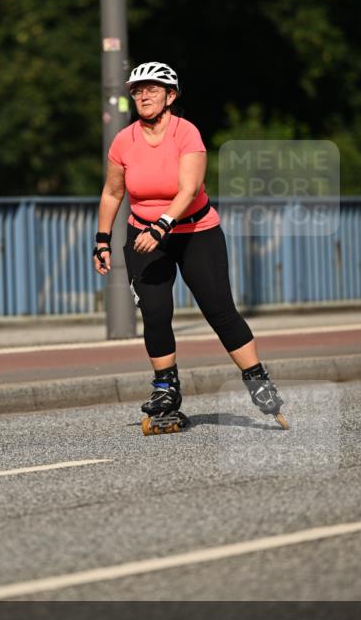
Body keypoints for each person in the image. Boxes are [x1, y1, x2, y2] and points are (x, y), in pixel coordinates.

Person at [93, 60, 284, 427]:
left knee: (218, 309)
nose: (143, 95)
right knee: (155, 311)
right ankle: (166, 388)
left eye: (152, 89)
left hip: (196, 231)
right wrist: (102, 241)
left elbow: (190, 189)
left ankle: (257, 380)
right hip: (143, 234)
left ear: (170, 95)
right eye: (137, 90)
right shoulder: (124, 141)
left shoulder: (186, 133)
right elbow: (112, 192)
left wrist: (163, 225)